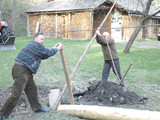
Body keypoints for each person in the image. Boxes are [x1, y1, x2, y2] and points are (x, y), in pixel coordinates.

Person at [0, 32, 63, 120]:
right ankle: (2, 114)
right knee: (16, 94)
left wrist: (53, 49)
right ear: (35, 38)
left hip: (26, 70)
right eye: (41, 39)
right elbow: (47, 53)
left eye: (43, 39)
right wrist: (57, 49)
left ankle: (37, 108)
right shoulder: (36, 45)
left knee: (32, 89)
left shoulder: (33, 45)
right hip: (20, 70)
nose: (42, 41)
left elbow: (44, 55)